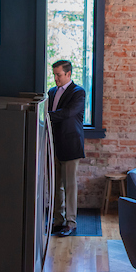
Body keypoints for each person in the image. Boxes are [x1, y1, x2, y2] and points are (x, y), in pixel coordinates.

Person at [48, 59, 86, 237]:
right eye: (54, 74)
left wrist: (46, 116)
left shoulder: (78, 92)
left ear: (68, 74)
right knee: (56, 186)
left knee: (70, 185)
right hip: (54, 145)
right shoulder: (51, 92)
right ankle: (58, 220)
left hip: (71, 145)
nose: (56, 78)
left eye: (59, 75)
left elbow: (69, 113)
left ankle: (71, 223)